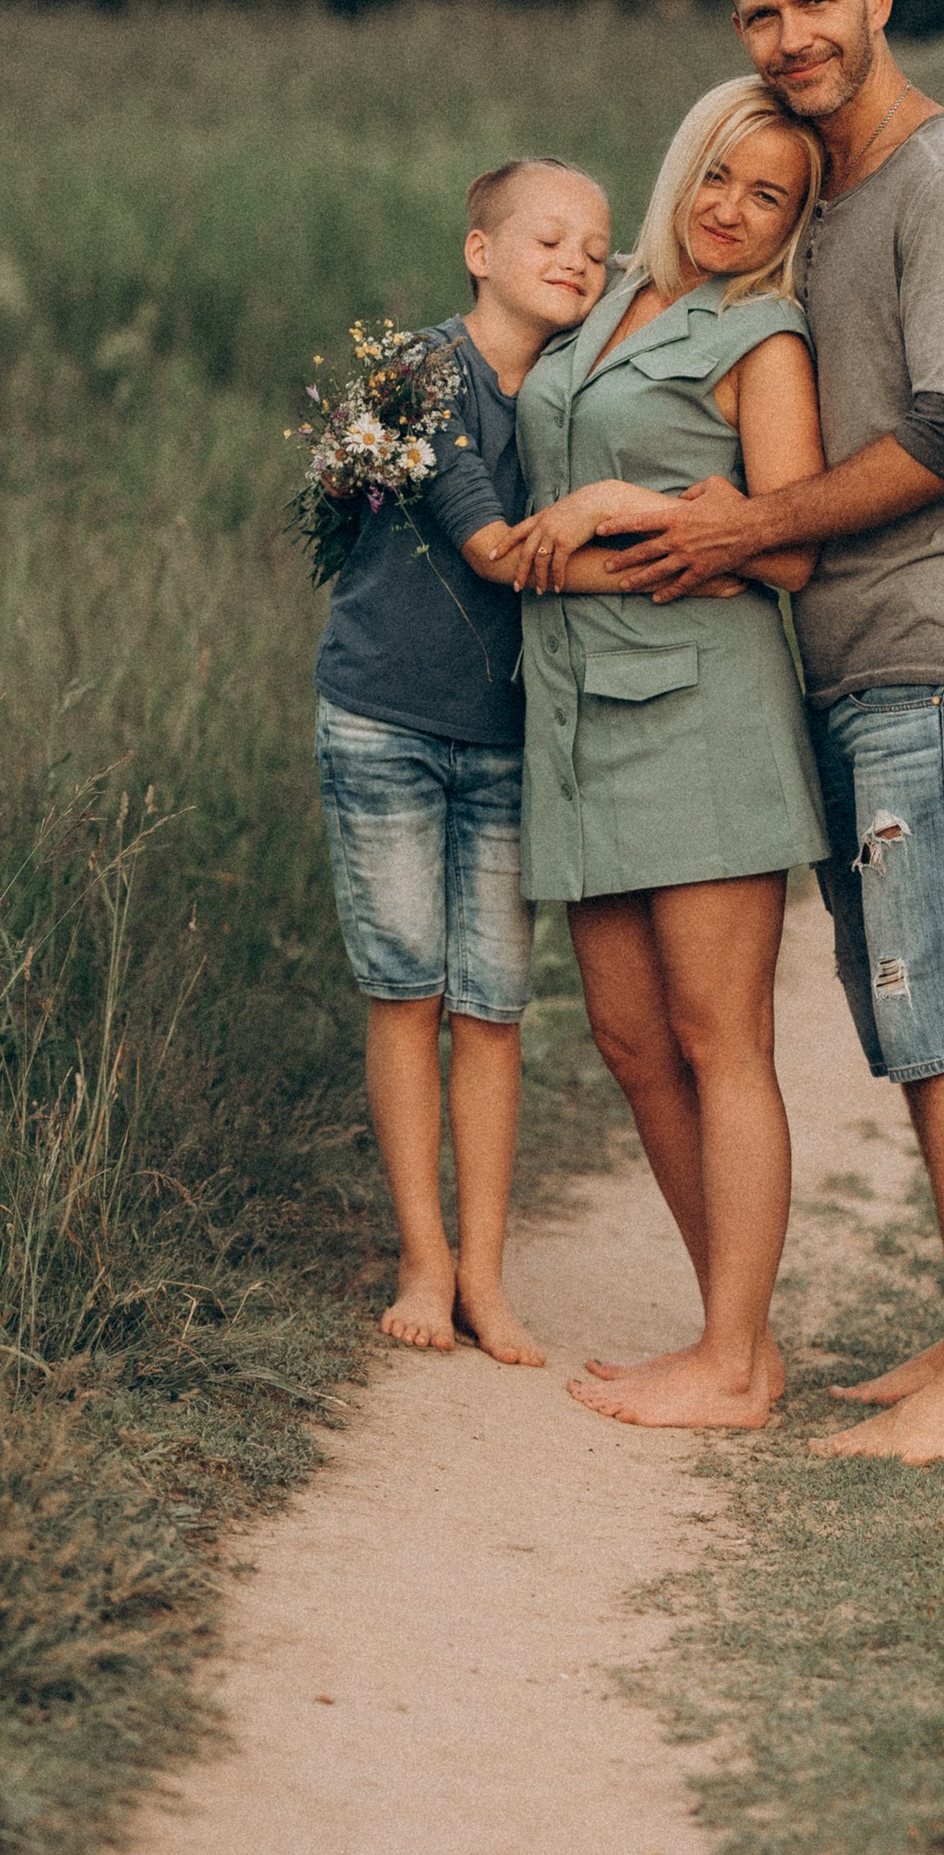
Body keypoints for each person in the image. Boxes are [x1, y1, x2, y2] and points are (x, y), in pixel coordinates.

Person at [610, 0, 944, 1463]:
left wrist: (748, 525)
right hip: (856, 661)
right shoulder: (833, 191)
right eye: (758, 18)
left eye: (816, 3)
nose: (791, 37)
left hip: (942, 643)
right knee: (908, 1002)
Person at [490, 79, 829, 1429]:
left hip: (701, 711)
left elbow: (791, 543)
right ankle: (736, 1334)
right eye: (722, 178)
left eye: (773, 197)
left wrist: (621, 505)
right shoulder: (606, 291)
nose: (736, 212)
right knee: (633, 1045)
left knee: (719, 1038)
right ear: (682, 165)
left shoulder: (766, 335)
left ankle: (733, 1365)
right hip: (574, 715)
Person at [311, 155, 612, 1368]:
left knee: (493, 1004)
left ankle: (486, 1274)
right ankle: (422, 1260)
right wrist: (699, 558)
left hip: (506, 730)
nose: (576, 261)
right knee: (410, 988)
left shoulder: (584, 391)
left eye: (596, 247)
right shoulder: (424, 370)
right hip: (386, 713)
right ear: (478, 251)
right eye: (547, 238)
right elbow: (492, 547)